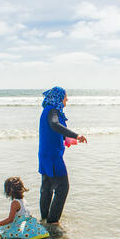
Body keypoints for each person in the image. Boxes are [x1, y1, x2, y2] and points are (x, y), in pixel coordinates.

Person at [38, 86, 87, 225]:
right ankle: (53, 221)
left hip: (44, 154)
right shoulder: (53, 110)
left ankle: (44, 219)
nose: (67, 99)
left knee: (46, 188)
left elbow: (53, 129)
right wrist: (76, 135)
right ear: (59, 97)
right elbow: (55, 125)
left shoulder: (46, 110)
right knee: (62, 187)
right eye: (65, 96)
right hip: (53, 156)